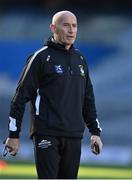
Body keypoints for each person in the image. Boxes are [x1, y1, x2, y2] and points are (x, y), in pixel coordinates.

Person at [4, 10, 103, 179]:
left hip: (73, 135)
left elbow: (88, 98)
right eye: (66, 25)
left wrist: (95, 132)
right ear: (53, 28)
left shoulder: (80, 59)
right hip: (46, 133)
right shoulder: (40, 58)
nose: (71, 30)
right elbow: (20, 97)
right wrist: (13, 135)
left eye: (74, 26)